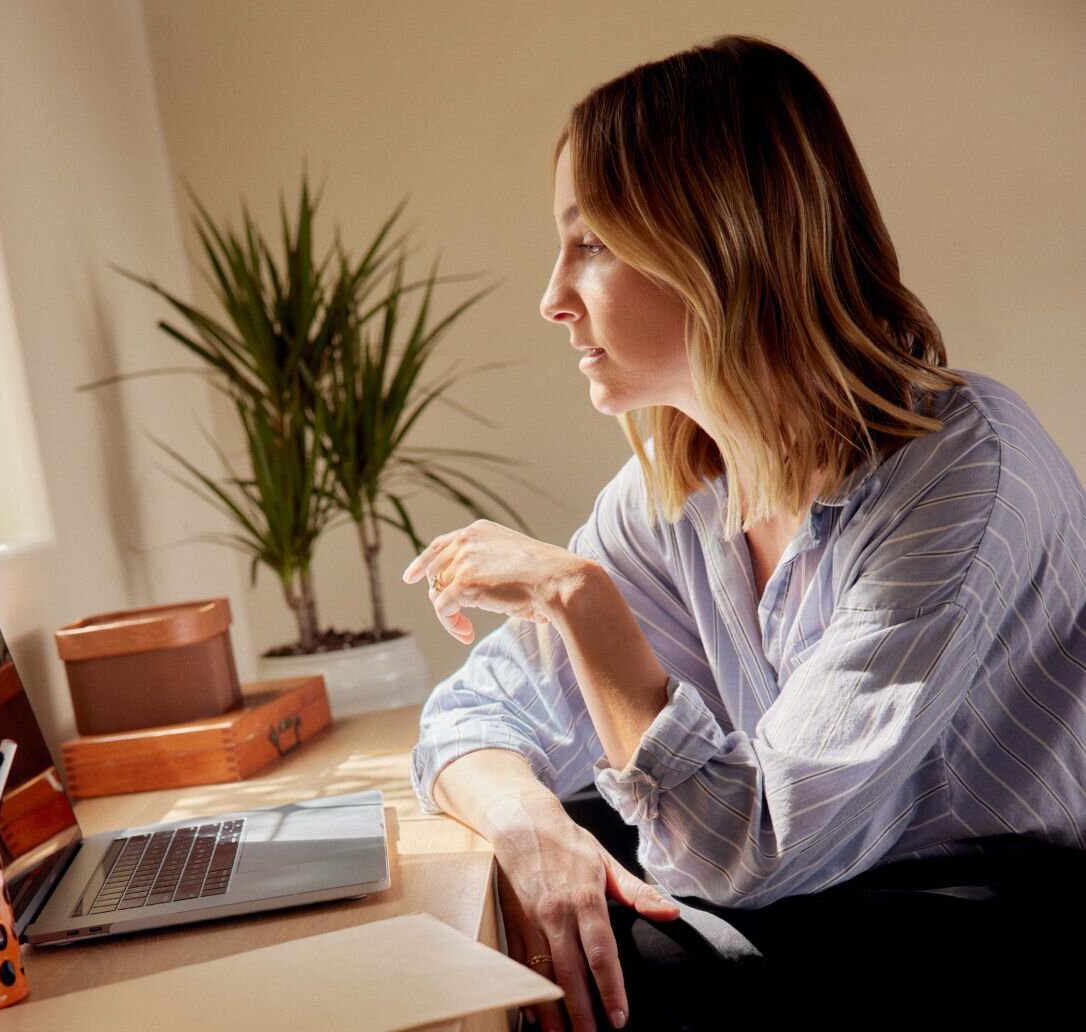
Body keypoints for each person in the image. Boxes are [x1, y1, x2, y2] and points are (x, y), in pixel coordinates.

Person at [405, 34, 1085, 1031]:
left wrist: (575, 598)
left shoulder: (961, 473)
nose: (552, 299)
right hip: (818, 889)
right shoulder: (671, 494)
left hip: (984, 918)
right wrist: (525, 822)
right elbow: (470, 716)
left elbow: (745, 844)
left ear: (718, 245)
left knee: (619, 952)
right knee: (562, 869)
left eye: (589, 243)